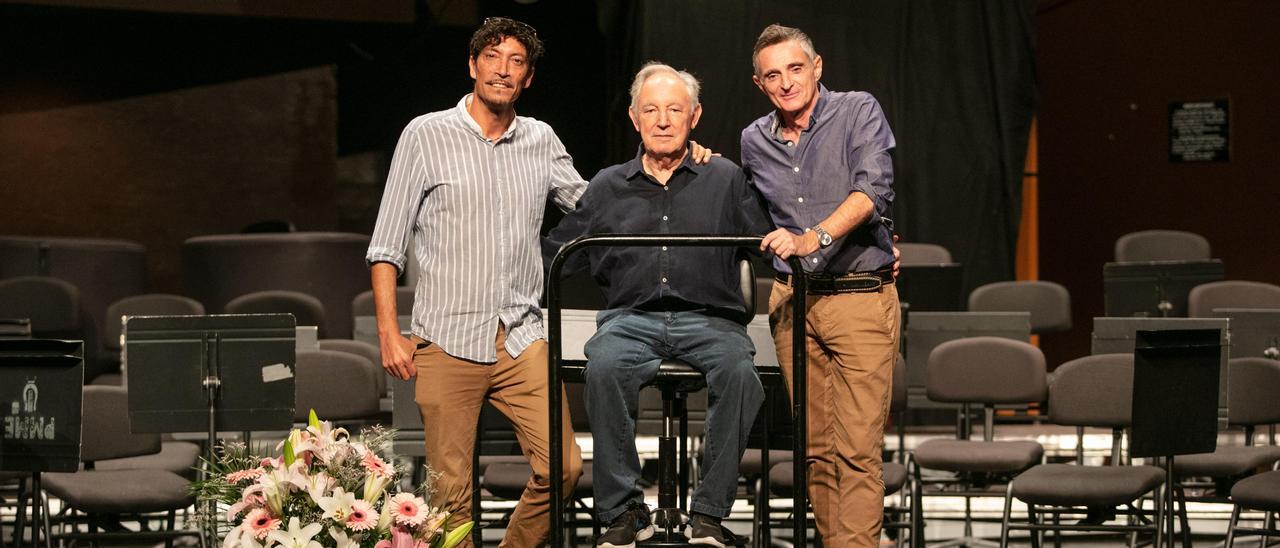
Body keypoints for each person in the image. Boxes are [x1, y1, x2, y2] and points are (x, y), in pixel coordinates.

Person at [364, 17, 585, 547]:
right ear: (472, 65)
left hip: (521, 337)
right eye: (493, 57)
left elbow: (594, 205)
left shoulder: (540, 139)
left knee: (565, 467)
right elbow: (385, 246)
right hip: (446, 339)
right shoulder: (425, 134)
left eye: (516, 62)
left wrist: (660, 165)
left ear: (527, 78)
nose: (503, 70)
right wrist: (389, 334)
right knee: (450, 498)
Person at [545, 63, 771, 548]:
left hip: (711, 321)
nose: (663, 120)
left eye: (675, 109)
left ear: (695, 116)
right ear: (634, 117)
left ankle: (708, 515)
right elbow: (558, 254)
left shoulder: (725, 177)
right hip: (631, 321)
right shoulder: (607, 185)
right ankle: (624, 513)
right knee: (602, 365)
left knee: (739, 374)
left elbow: (770, 239)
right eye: (651, 110)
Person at [740, 24, 902, 547]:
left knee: (856, 450)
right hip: (794, 302)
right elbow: (748, 210)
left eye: (794, 68)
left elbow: (873, 188)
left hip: (859, 296)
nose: (786, 82)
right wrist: (699, 160)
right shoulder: (753, 140)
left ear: (817, 66)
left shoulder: (856, 111)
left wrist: (816, 237)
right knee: (813, 448)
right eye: (772, 75)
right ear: (759, 83)